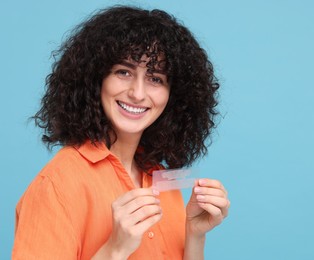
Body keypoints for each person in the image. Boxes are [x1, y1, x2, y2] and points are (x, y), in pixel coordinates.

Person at [12, 5, 229, 260]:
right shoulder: (56, 185)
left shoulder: (159, 177)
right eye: (123, 72)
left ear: (174, 95)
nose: (137, 93)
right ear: (96, 79)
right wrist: (114, 249)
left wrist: (195, 233)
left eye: (155, 78)